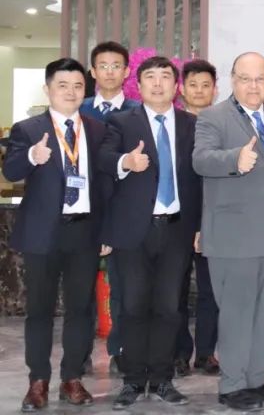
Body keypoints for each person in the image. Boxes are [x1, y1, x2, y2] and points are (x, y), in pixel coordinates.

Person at [192, 52, 264, 411]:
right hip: (233, 235)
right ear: (233, 80)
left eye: (260, 79)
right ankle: (232, 385)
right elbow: (200, 159)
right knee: (236, 314)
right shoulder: (213, 117)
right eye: (246, 79)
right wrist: (234, 159)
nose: (254, 86)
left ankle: (257, 377)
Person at [3, 58, 109, 410]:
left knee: (81, 309)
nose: (71, 92)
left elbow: (105, 183)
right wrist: (33, 156)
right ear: (48, 89)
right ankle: (38, 381)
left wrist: (107, 229)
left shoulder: (97, 129)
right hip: (42, 233)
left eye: (78, 86)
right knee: (40, 311)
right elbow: (11, 170)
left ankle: (72, 379)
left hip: (85, 231)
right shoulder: (28, 129)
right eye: (63, 85)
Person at [99, 56, 202, 408]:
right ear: (138, 85)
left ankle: (161, 379)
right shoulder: (120, 121)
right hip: (133, 231)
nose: (158, 84)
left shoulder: (192, 124)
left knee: (169, 307)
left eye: (165, 77)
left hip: (176, 230)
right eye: (150, 78)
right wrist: (125, 162)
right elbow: (103, 158)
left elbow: (200, 180)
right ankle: (132, 380)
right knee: (133, 306)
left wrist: (200, 226)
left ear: (176, 86)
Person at [81, 41, 139, 375]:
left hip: (123, 211)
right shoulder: (79, 108)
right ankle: (80, 353)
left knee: (123, 286)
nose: (109, 72)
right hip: (83, 210)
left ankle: (120, 350)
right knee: (81, 289)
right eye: (102, 66)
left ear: (127, 71)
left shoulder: (137, 111)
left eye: (116, 65)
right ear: (93, 71)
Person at [174, 59, 220, 377]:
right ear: (182, 89)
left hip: (215, 220)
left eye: (206, 85)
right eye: (193, 85)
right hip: (178, 221)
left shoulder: (222, 124)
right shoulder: (173, 124)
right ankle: (179, 353)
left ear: (215, 89)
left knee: (211, 291)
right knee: (175, 291)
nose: (199, 91)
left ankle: (206, 353)